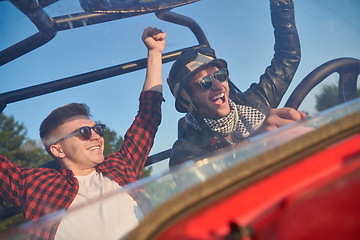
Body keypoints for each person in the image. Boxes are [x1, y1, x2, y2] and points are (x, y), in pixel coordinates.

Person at [0, 26, 166, 240]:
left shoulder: (119, 167)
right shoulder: (35, 185)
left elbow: (148, 116)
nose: (97, 135)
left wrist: (154, 53)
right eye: (84, 132)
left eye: (97, 129)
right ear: (57, 149)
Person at [166, 0, 306, 168]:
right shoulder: (184, 151)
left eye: (220, 75)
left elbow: (287, 58)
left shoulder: (256, 101)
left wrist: (281, 4)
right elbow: (205, 182)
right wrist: (254, 144)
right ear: (187, 100)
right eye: (205, 82)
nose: (218, 85)